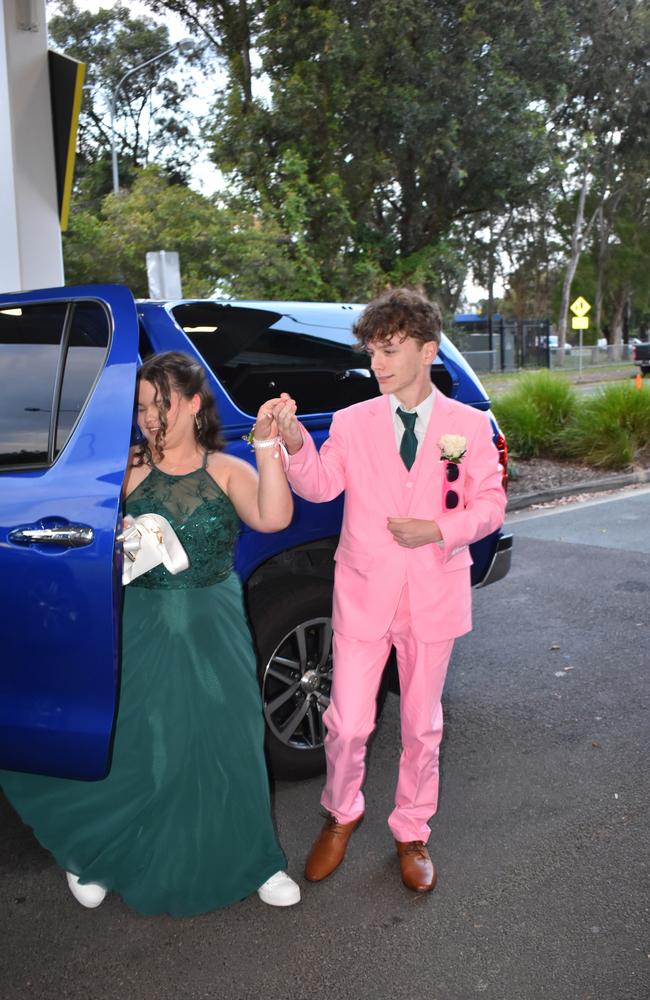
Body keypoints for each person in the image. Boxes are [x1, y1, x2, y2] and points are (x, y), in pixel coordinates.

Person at [0, 351, 301, 914]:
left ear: (192, 404)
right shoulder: (126, 469)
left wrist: (267, 446)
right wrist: (112, 534)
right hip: (140, 619)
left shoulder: (226, 467)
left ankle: (259, 859)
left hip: (213, 617)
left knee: (230, 734)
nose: (151, 418)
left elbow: (274, 518)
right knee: (145, 740)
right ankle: (92, 848)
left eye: (162, 405)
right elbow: (71, 531)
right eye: (141, 408)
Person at [268, 288, 507, 893]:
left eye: (391, 349)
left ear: (428, 351)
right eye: (373, 350)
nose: (377, 362)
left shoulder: (469, 425)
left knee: (422, 724)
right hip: (363, 592)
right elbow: (320, 487)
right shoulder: (352, 422)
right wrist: (295, 440)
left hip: (433, 594)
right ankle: (341, 813)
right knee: (348, 722)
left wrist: (440, 529)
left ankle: (412, 830)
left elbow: (490, 503)